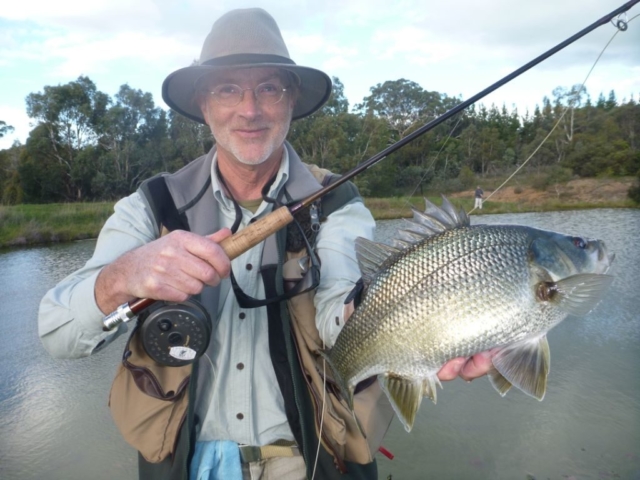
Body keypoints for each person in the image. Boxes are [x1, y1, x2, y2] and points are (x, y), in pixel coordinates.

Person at [37, 8, 493, 480]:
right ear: (204, 103)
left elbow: (340, 304)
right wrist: (123, 277)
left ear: (291, 99)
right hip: (183, 463)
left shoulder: (337, 202)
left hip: (309, 458)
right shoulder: (151, 205)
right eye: (228, 88)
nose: (250, 109)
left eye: (269, 87)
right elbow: (56, 334)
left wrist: (425, 324)